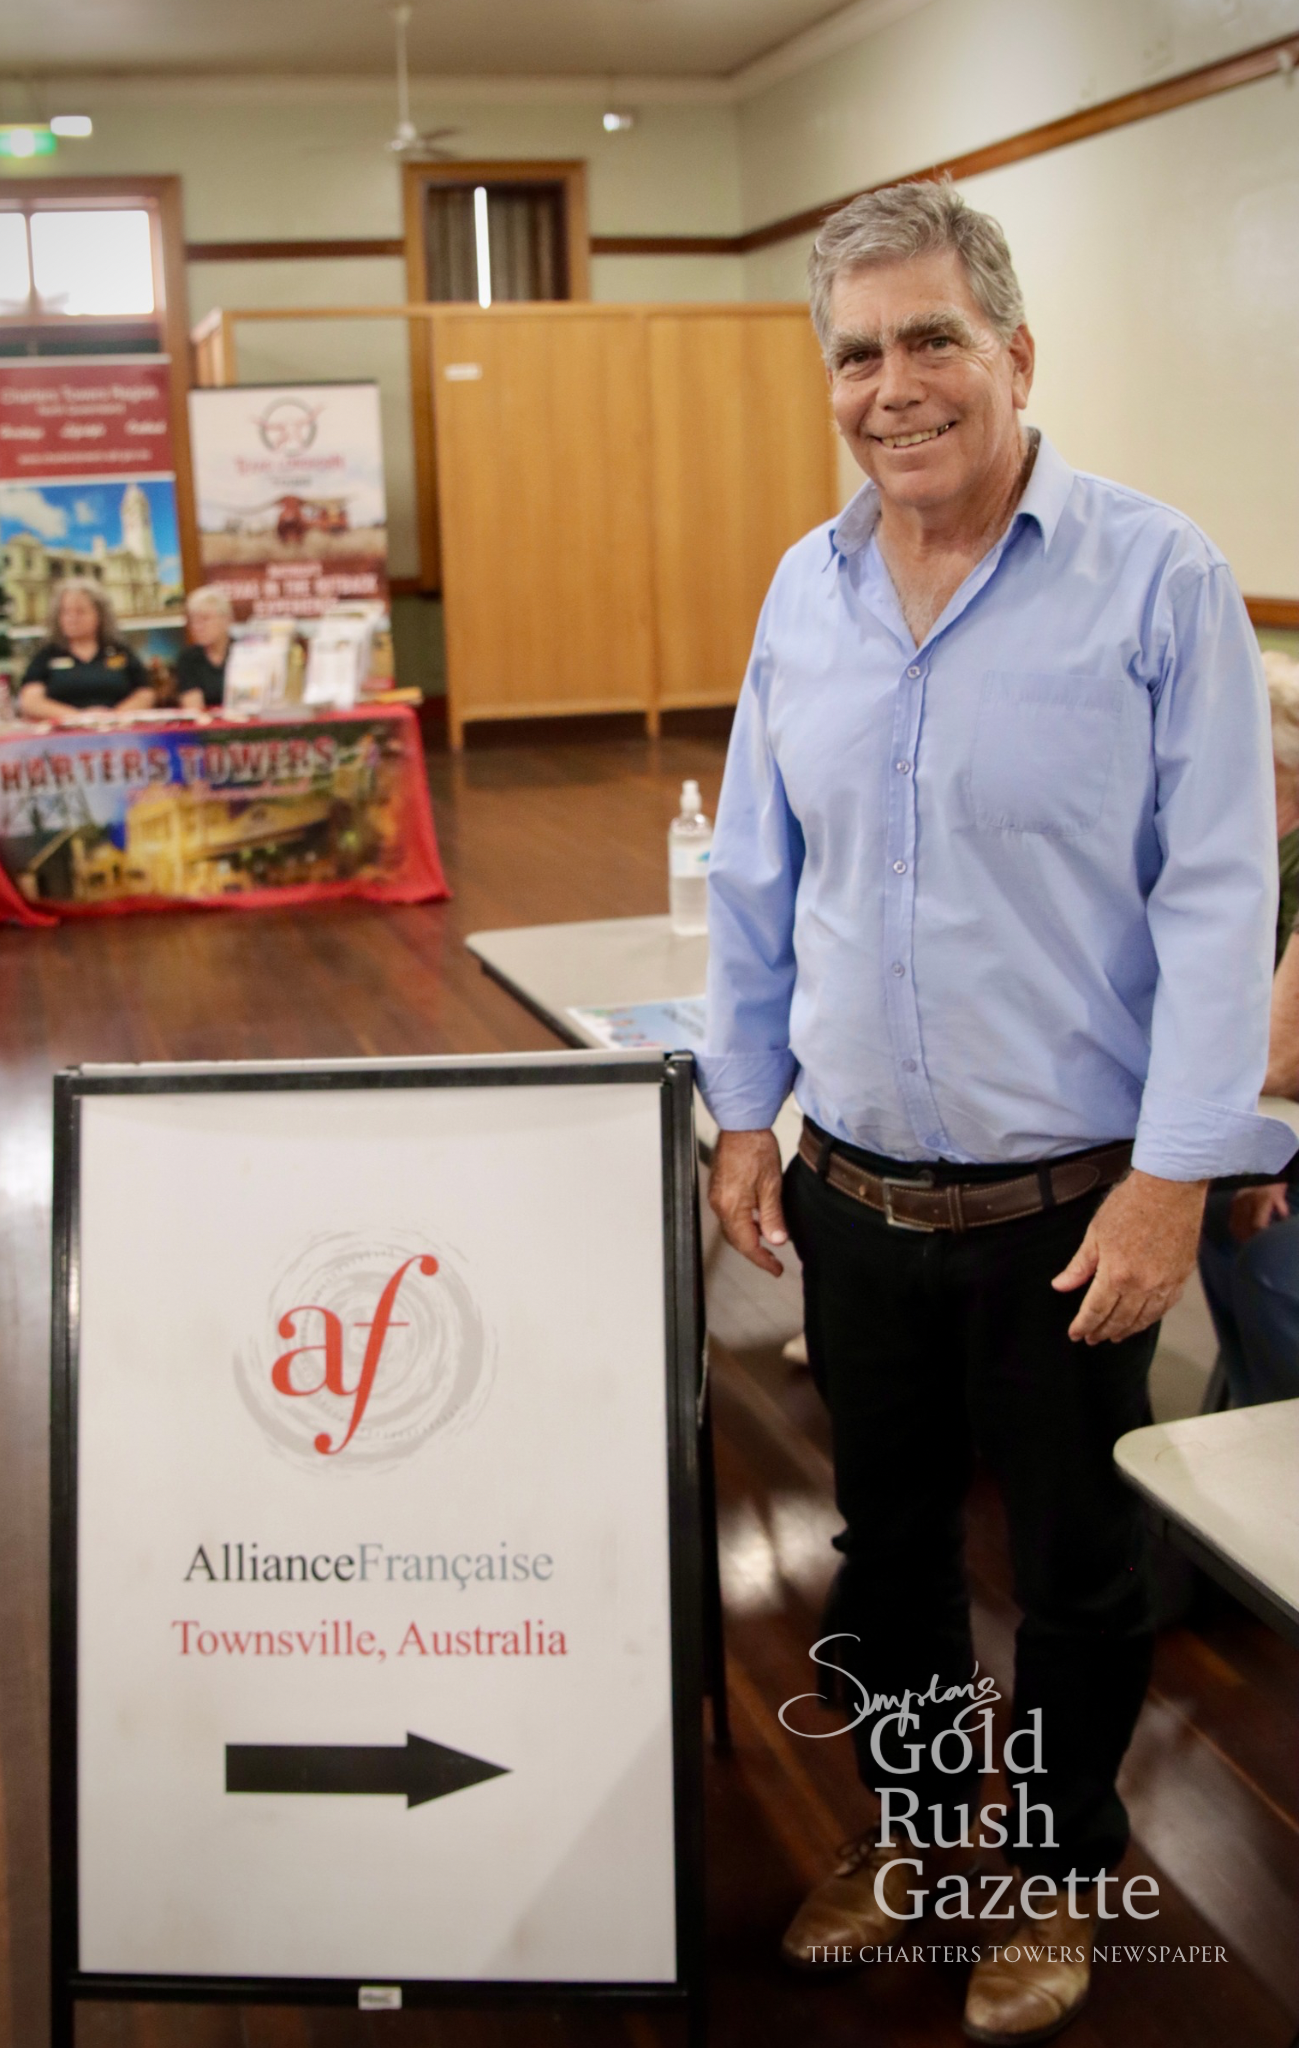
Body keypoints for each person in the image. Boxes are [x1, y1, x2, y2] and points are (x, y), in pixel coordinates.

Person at [697, 180, 1294, 2045]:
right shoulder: (805, 587)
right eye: (857, 353)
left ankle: (1048, 1867)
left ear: (1016, 353)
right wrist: (740, 1111)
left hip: (1073, 1206)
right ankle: (914, 1833)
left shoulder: (1158, 576)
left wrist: (1179, 1174)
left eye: (931, 338)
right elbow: (754, 878)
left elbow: (1216, 895)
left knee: (1077, 1564)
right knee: (878, 1555)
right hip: (855, 1193)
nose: (894, 386)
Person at [1195, 650, 1299, 1404]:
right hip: (1272, 1128)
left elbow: (1279, 1060)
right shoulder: (1241, 848)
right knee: (1210, 1218)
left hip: (1280, 1120)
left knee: (1253, 1254)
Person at [18, 580, 153, 725]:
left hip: (118, 731)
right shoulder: (47, 655)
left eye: (80, 611)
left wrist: (113, 717)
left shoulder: (120, 651)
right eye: (65, 612)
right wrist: (78, 718)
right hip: (63, 736)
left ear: (100, 615)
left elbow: (144, 694)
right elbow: (30, 701)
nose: (72, 618)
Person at [175, 585, 233, 711]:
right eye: (193, 621)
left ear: (226, 619)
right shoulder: (188, 658)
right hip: (206, 726)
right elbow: (193, 707)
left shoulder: (245, 652)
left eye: (205, 619)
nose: (197, 627)